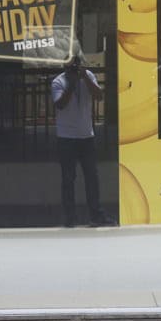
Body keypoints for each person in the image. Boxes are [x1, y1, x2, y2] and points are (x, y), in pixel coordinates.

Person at [51, 55, 113, 227]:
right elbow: (60, 104)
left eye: (76, 66)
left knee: (92, 177)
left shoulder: (88, 76)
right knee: (68, 178)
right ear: (64, 67)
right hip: (66, 137)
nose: (73, 70)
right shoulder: (58, 82)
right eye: (70, 67)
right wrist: (71, 84)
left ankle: (96, 215)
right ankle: (70, 217)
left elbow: (99, 96)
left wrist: (85, 77)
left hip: (86, 136)